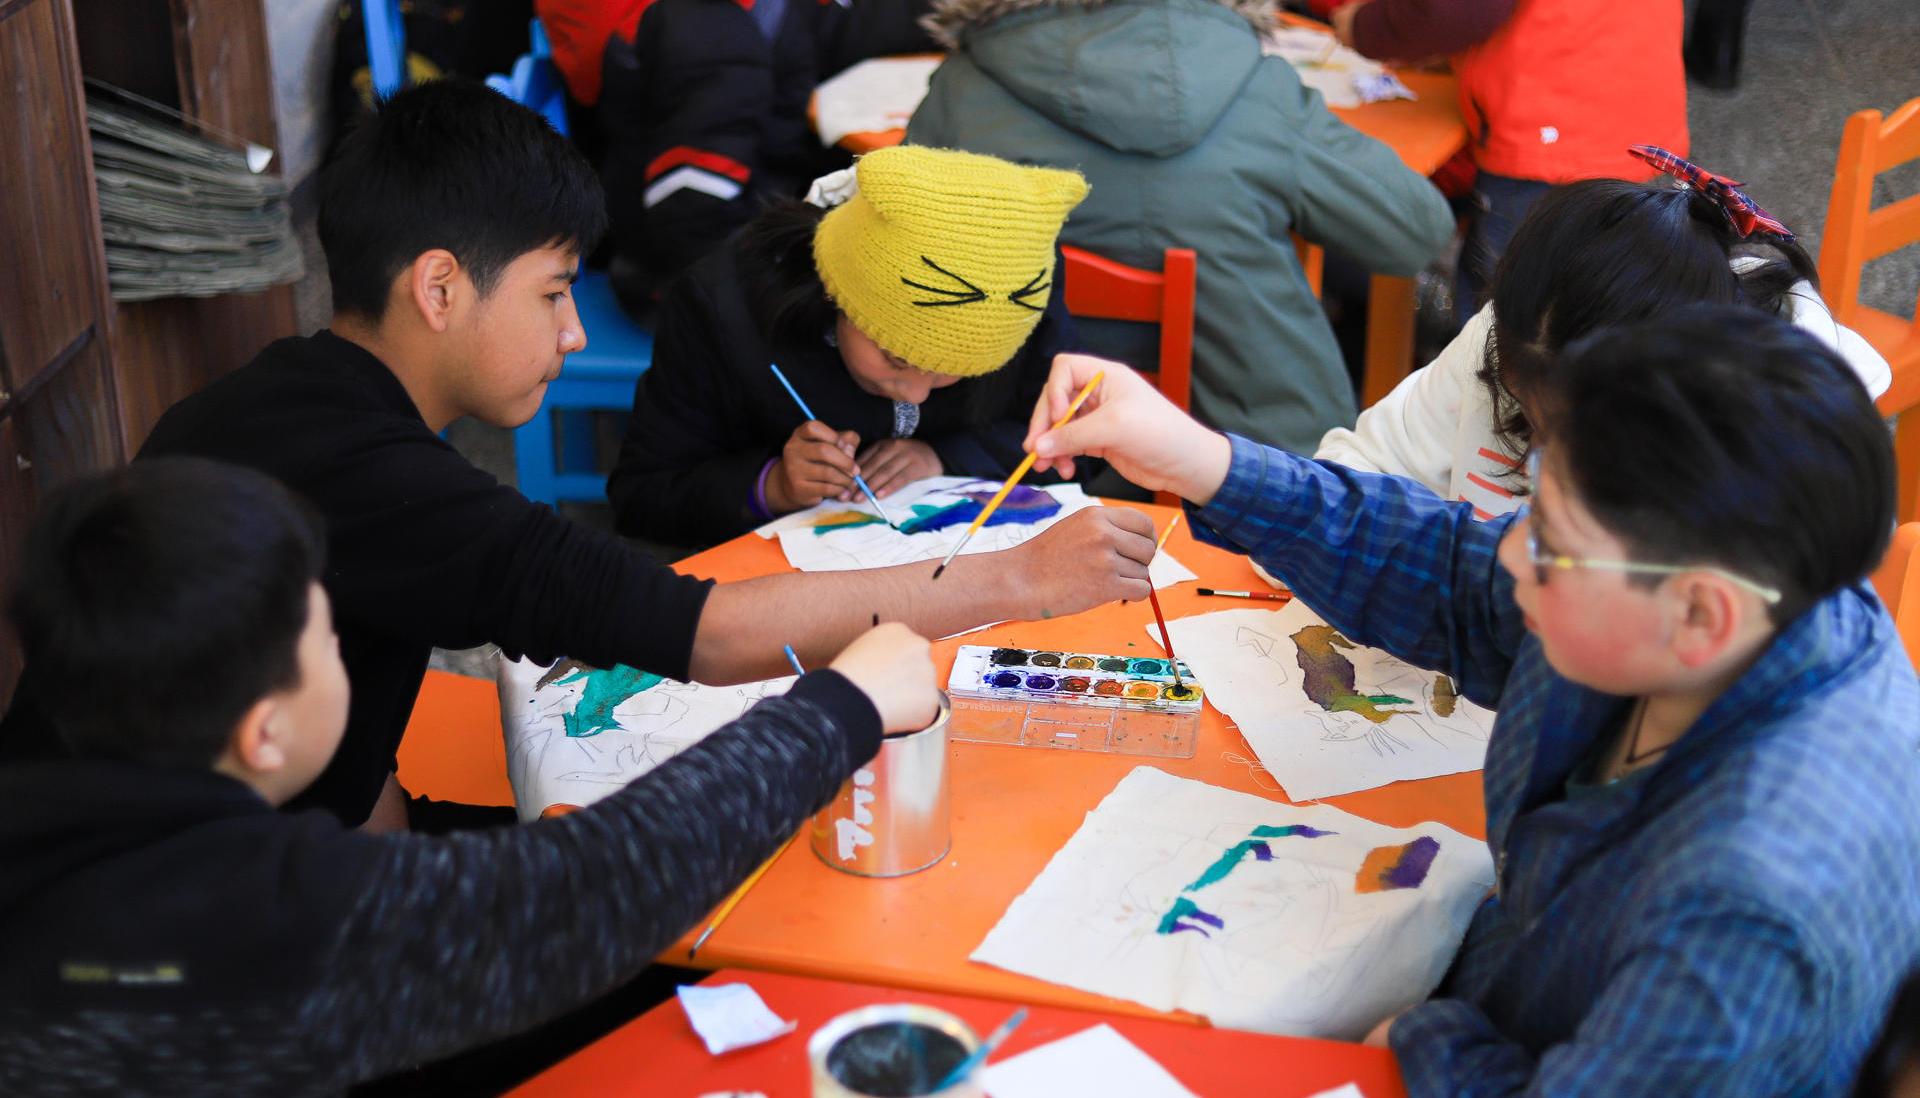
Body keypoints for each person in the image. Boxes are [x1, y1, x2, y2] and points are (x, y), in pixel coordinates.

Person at [0, 80, 1154, 833]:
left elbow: (337, 780)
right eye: (555, 294)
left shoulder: (277, 407)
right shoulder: (386, 477)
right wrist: (1005, 583)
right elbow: (688, 629)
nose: (572, 332)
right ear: (440, 286)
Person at [1019, 310, 1920, 1095]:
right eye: (1531, 509)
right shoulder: (1766, 581)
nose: (1514, 554)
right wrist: (1203, 460)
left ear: (1698, 611)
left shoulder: (1743, 918)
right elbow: (1449, 571)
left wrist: (1424, 1041)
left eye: (1555, 546)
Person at [0, 457, 937, 1092]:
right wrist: (841, 708)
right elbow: (588, 893)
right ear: (263, 733)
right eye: (328, 638)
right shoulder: (265, 920)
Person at [906, 0, 1453, 455]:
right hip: (1256, 456)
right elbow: (1414, 231)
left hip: (1023, 444)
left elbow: (905, 253)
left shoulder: (961, 90)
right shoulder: (1257, 89)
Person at [1315, 163, 1892, 518]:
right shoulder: (1529, 329)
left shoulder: (1783, 459)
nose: (1542, 454)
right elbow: (1357, 467)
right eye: (1532, 422)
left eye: (1563, 433)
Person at [608, 144, 1087, 546]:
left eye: (957, 368)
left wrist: (947, 458)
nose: (917, 393)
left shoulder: (1018, 283)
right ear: (836, 296)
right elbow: (643, 496)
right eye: (897, 358)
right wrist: (771, 484)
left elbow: (1077, 443)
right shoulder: (723, 309)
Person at [537, 0, 937, 304]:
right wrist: (796, 284)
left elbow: (833, 27)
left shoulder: (750, 17)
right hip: (682, 281)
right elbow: (693, 222)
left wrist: (952, 15)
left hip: (745, 218)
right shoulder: (709, 39)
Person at [1329, 0, 1688, 319]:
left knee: (1503, 326)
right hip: (1626, 103)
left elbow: (1456, 9)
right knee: (1588, 305)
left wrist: (1365, 26)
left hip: (1548, 131)